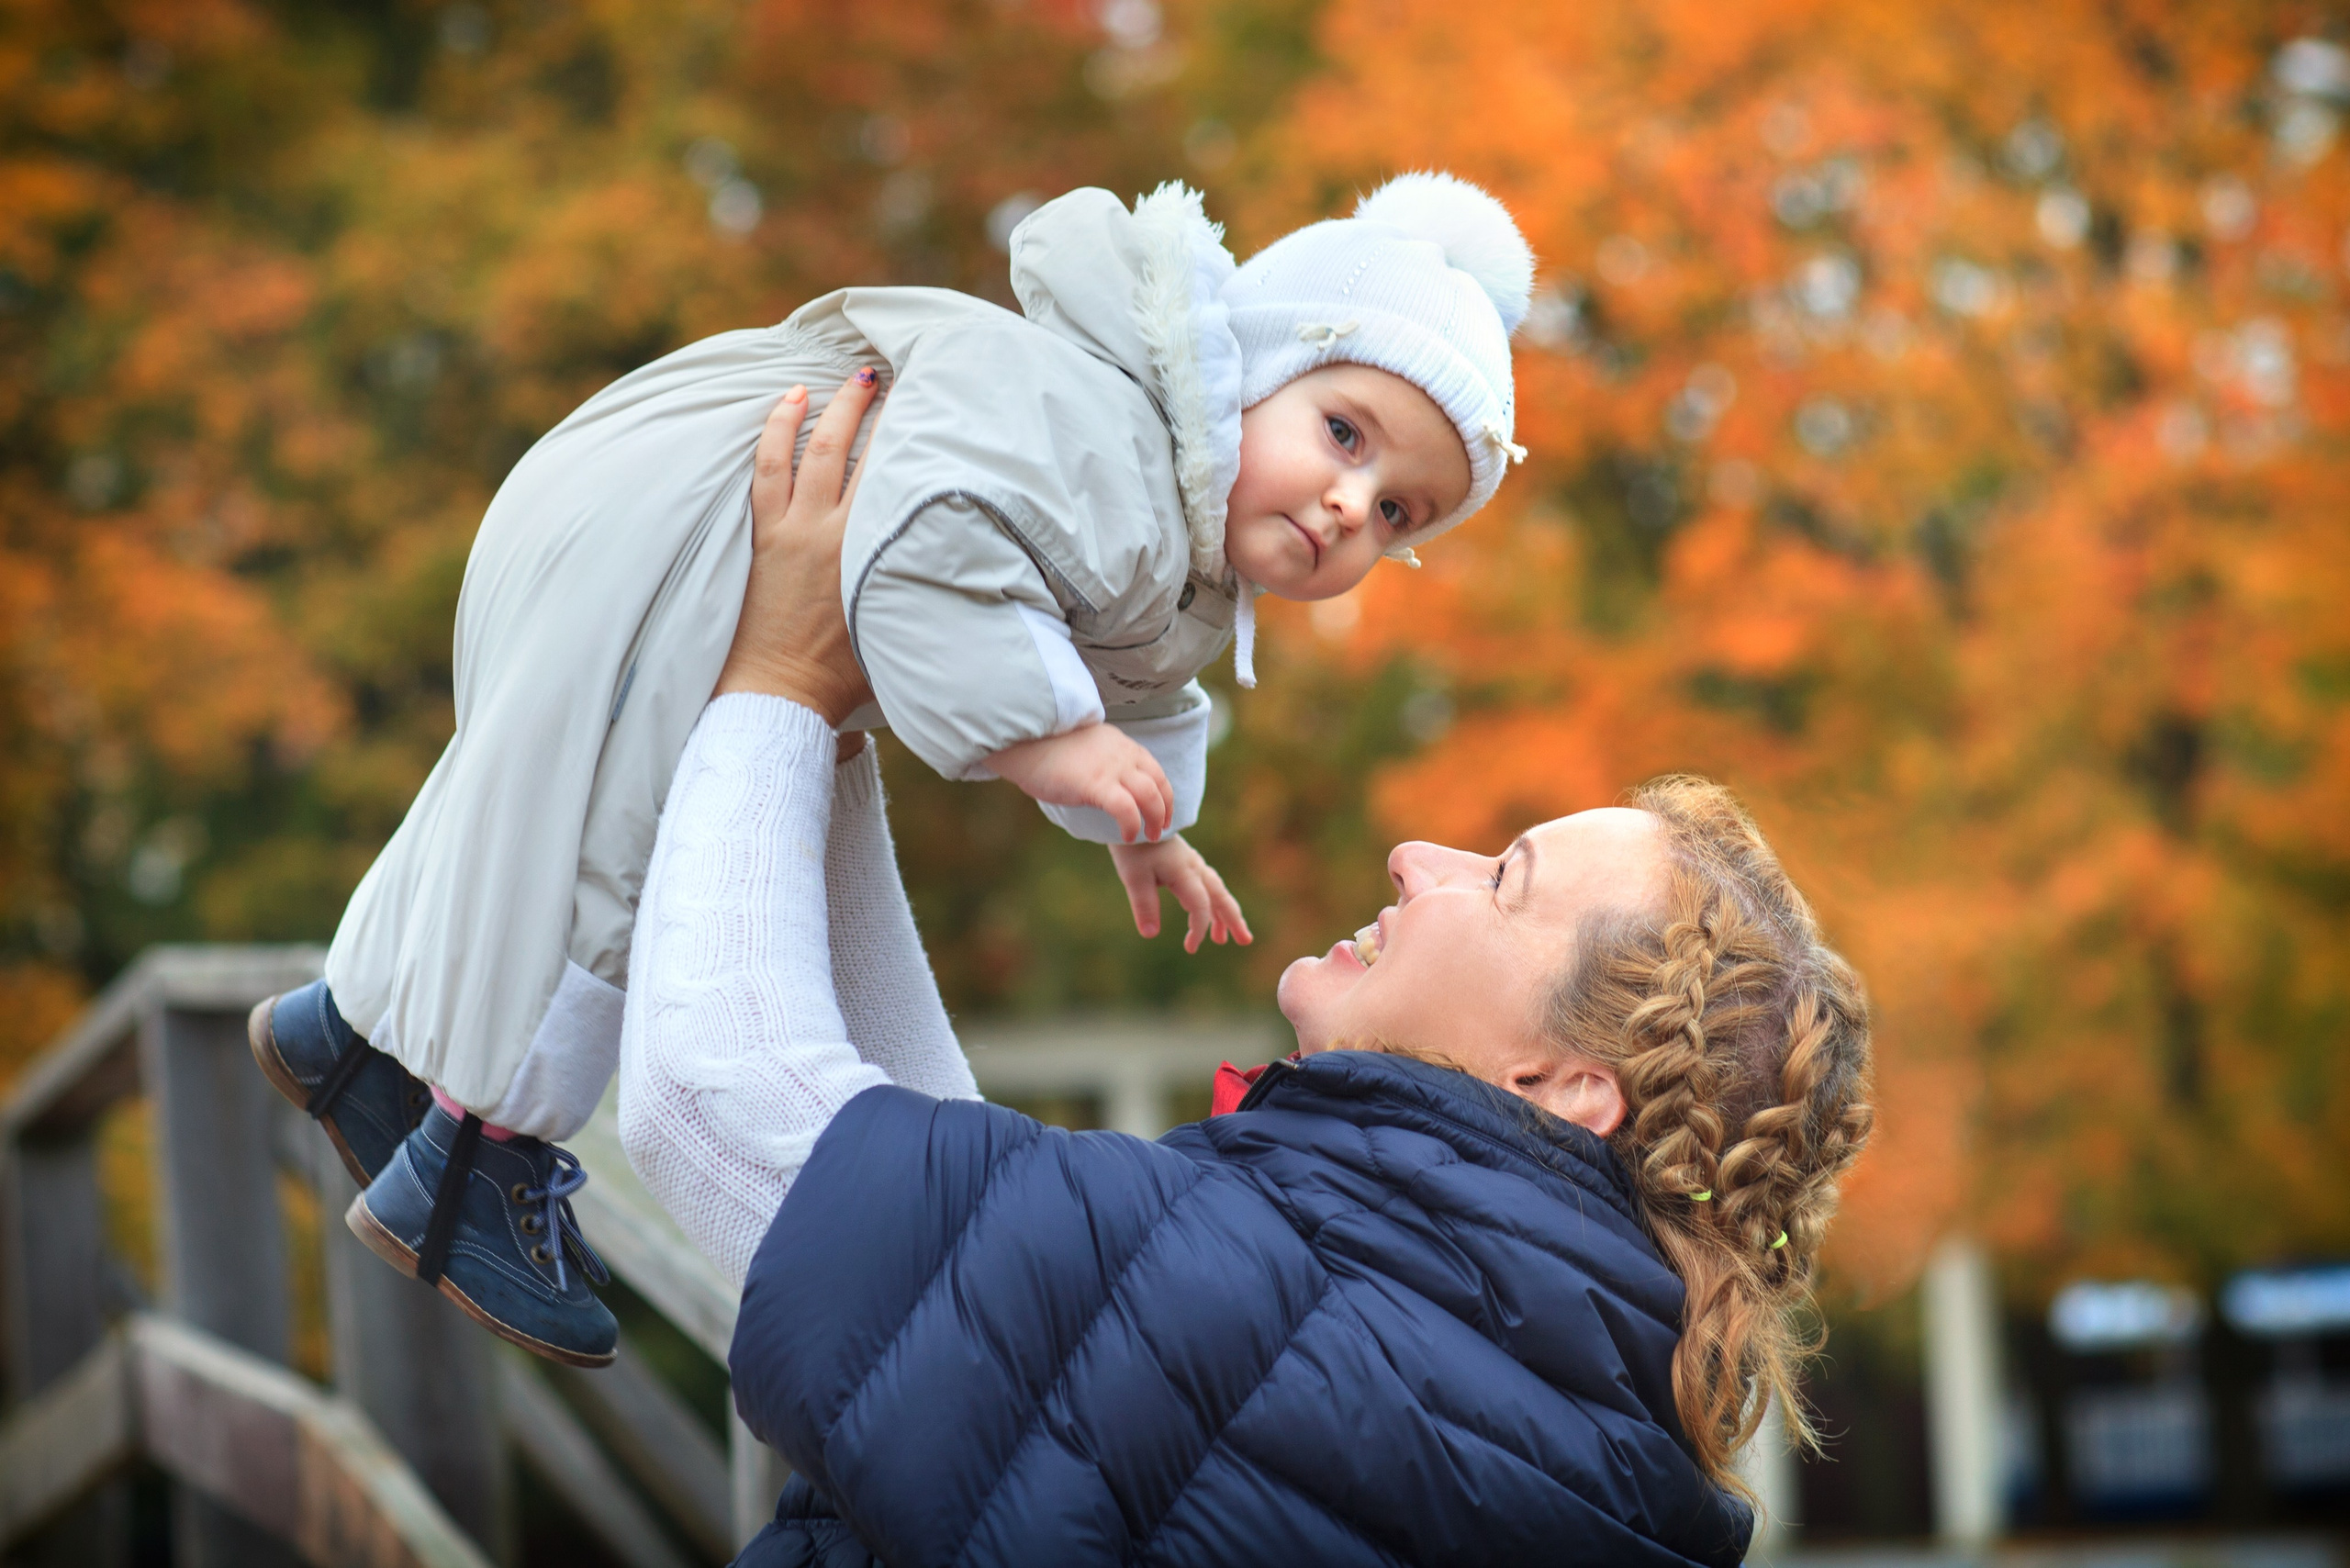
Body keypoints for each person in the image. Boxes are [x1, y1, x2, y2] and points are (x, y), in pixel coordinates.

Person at [244, 172, 1538, 1365]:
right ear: (1244, 369)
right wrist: (1045, 742)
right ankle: (473, 1168)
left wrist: (1140, 821)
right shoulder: (1105, 437)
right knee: (619, 831)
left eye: (1397, 514)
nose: (1347, 511)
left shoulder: (1180, 535)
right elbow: (923, 554)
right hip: (706, 492)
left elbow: (1134, 683)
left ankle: (353, 1043)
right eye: (1346, 436)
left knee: (538, 781)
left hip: (710, 494)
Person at [624, 380, 1877, 1565]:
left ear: (1563, 1084)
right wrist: (832, 728)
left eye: (1502, 878)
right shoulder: (1518, 1412)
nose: (1414, 858)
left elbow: (719, 1113)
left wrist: (779, 679)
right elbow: (958, 1251)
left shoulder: (1293, 1326)